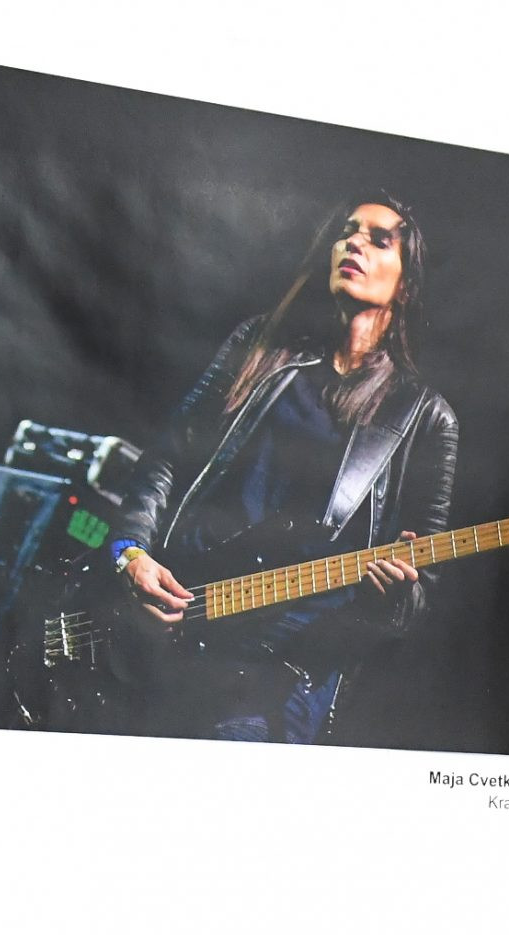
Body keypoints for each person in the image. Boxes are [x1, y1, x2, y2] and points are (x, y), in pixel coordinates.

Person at [107, 195, 459, 742]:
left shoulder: (425, 418)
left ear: (407, 284)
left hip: (280, 676)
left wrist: (395, 593)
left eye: (378, 239)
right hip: (170, 627)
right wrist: (130, 553)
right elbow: (168, 458)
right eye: (347, 231)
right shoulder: (259, 345)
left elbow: (416, 599)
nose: (354, 243)